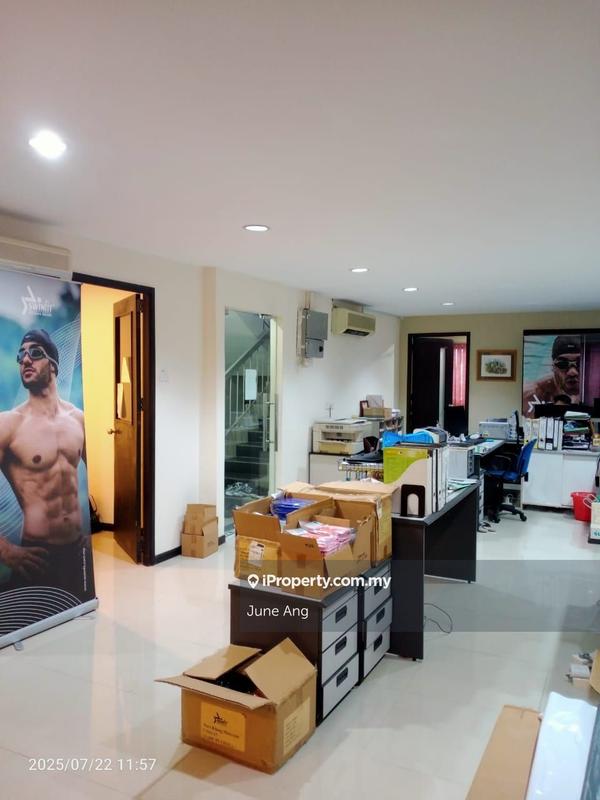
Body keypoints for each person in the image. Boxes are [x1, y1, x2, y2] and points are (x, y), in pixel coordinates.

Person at [0, 329, 91, 595]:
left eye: (35, 353)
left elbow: (101, 478)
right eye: (21, 355)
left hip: (77, 550)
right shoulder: (9, 425)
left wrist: (93, 531)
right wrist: (5, 550)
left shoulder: (78, 419)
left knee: (80, 613)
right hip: (37, 556)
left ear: (53, 365)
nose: (25, 360)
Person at [523, 335, 582, 415]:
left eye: (580, 363)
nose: (572, 372)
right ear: (552, 366)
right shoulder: (531, 395)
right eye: (562, 364)